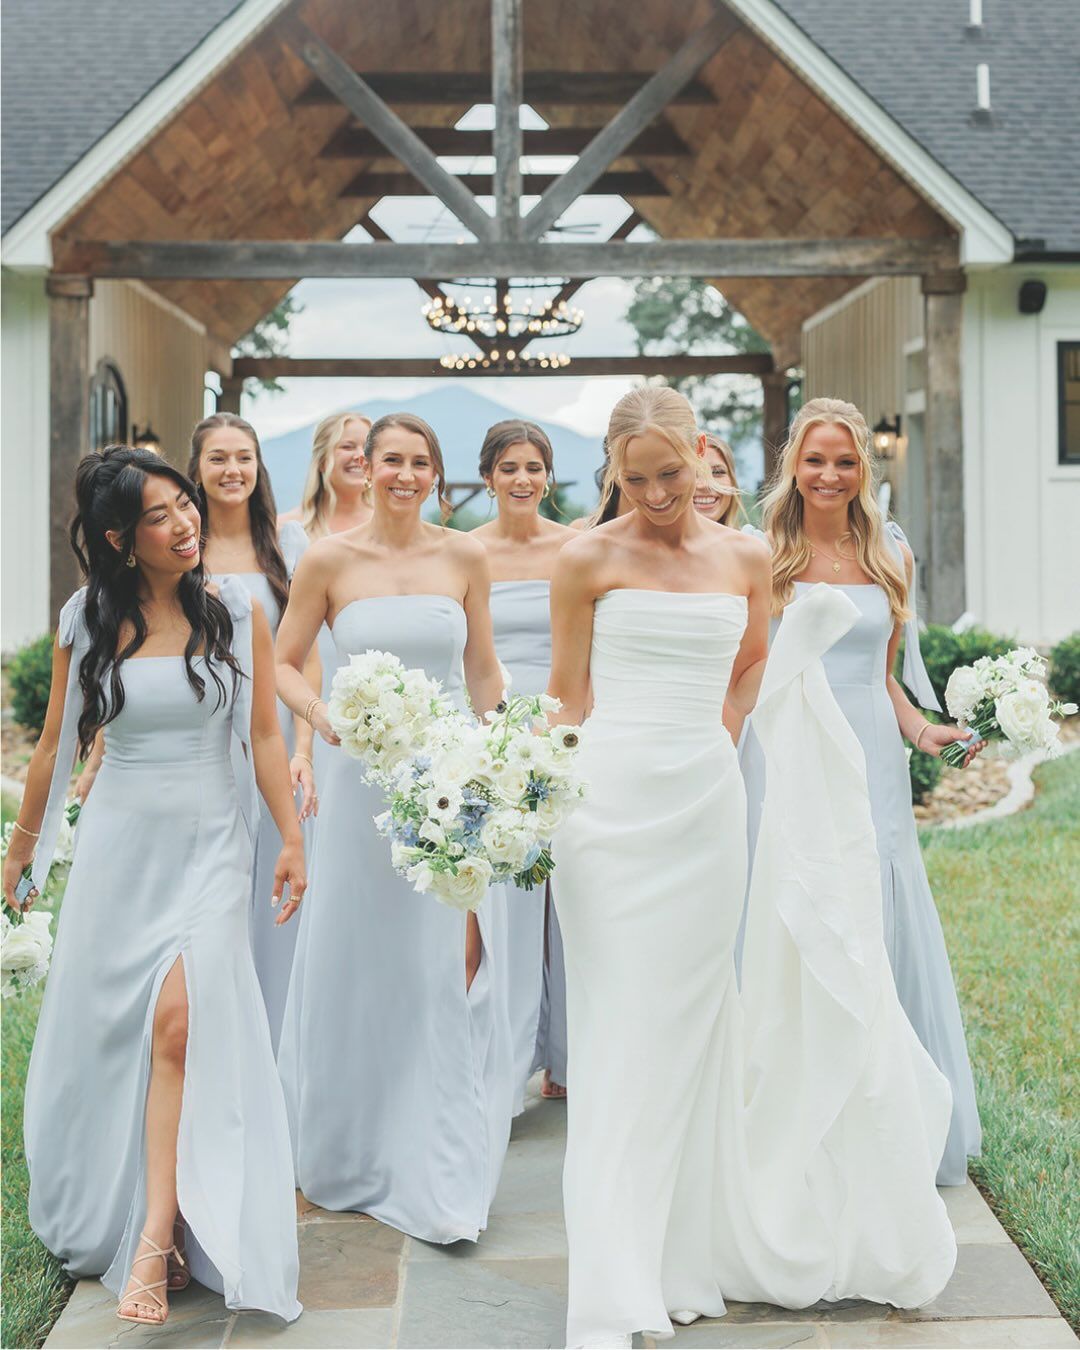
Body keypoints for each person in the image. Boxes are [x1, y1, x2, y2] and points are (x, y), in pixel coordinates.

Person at [547, 386, 955, 1347]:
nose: (654, 493)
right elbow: (564, 696)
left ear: (701, 456)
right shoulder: (585, 557)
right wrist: (532, 800)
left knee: (692, 1028)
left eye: (671, 472)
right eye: (635, 478)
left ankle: (680, 1255)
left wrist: (717, 742)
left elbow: (751, 669)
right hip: (604, 814)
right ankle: (612, 1278)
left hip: (704, 809)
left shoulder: (741, 557)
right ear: (614, 469)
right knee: (616, 1035)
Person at [3, 447, 304, 1327]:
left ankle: (156, 1239)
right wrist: (22, 848)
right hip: (120, 851)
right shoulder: (85, 619)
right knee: (126, 1034)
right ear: (119, 539)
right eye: (162, 515)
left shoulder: (235, 609)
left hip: (215, 846)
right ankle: (137, 1207)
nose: (186, 525)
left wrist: (290, 837)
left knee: (179, 1022)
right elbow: (57, 745)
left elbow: (267, 737)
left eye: (187, 506)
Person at [275, 413, 515, 1242]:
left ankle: (433, 1155)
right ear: (364, 468)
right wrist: (320, 715)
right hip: (355, 782)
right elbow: (282, 657)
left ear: (436, 473)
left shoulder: (464, 555)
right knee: (353, 954)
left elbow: (480, 666)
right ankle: (343, 1145)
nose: (405, 474)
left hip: (444, 783)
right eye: (391, 461)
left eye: (420, 462)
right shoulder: (330, 559)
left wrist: (502, 764)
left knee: (428, 963)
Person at [740, 395, 983, 1185]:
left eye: (845, 461)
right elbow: (744, 674)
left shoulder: (890, 555)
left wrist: (924, 732)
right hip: (790, 753)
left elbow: (883, 681)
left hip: (872, 758)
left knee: (873, 913)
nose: (830, 474)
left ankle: (886, 1112)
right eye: (815, 459)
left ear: (863, 469)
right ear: (792, 467)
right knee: (799, 909)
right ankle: (797, 1115)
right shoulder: (759, 556)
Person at [188, 412, 318, 1052]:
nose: (232, 470)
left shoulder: (286, 547)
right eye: (218, 458)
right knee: (214, 898)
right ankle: (211, 1039)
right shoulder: (180, 545)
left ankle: (272, 1046)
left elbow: (304, 657)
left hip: (271, 747)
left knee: (274, 902)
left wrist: (304, 747)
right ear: (197, 469)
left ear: (259, 466)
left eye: (244, 456)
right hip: (201, 744)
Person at [472, 419, 575, 1106]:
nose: (522, 480)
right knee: (507, 894)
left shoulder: (575, 549)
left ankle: (568, 1058)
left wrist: (563, 722)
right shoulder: (464, 552)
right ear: (488, 477)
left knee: (569, 896)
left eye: (534, 467)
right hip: (491, 731)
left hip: (567, 726)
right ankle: (504, 1063)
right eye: (509, 468)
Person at [279, 410, 374, 792]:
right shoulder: (288, 529)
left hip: (370, 678)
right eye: (346, 446)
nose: (358, 456)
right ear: (322, 459)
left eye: (366, 448)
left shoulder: (388, 530)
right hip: (302, 676)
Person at [693, 432, 743, 526]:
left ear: (732, 481)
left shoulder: (756, 540)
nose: (705, 484)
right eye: (693, 473)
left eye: (717, 472)